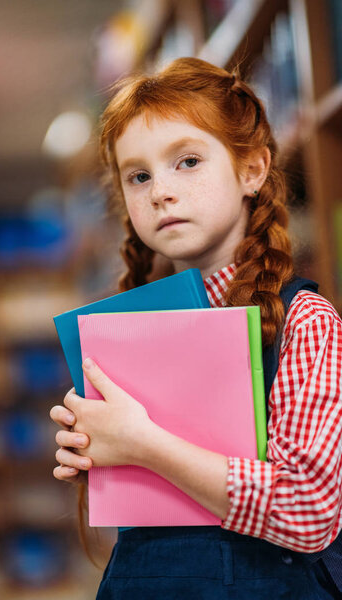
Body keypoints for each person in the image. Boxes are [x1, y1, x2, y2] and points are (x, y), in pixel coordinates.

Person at [50, 57, 342, 599]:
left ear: (252, 170)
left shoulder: (305, 320)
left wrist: (143, 444)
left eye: (187, 161)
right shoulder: (126, 335)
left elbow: (308, 511)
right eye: (138, 175)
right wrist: (96, 451)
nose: (160, 189)